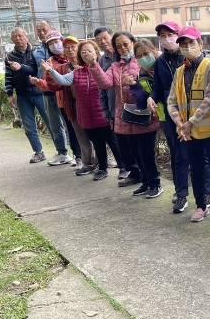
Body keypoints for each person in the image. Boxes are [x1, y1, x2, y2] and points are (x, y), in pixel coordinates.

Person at [166, 26, 210, 222]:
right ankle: (201, 206)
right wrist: (179, 123)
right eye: (183, 44)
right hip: (189, 131)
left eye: (191, 43)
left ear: (200, 44)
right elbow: (171, 100)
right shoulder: (179, 71)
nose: (187, 47)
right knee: (196, 168)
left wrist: (189, 123)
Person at [90, 31, 163, 199]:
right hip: (125, 117)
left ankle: (155, 183)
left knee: (146, 153)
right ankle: (145, 182)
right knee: (135, 153)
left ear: (132, 42)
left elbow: (154, 85)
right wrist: (94, 65)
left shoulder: (143, 61)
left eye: (125, 44)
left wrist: (135, 84)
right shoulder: (116, 66)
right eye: (118, 46)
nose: (122, 48)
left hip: (144, 114)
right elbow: (105, 83)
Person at [149, 21, 210, 214]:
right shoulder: (160, 62)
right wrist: (152, 98)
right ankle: (181, 194)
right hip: (173, 117)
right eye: (162, 35)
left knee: (202, 156)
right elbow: (159, 88)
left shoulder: (191, 59)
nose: (166, 39)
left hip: (196, 116)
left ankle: (207, 192)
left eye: (170, 34)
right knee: (179, 156)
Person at [45, 40, 123, 181]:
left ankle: (123, 167)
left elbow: (108, 85)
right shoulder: (77, 72)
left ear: (96, 53)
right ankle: (102, 168)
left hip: (103, 115)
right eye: (83, 52)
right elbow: (63, 81)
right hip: (87, 116)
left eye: (89, 51)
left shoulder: (103, 68)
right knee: (98, 143)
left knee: (113, 142)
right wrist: (50, 71)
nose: (86, 53)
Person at [32, 33, 94, 174]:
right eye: (67, 48)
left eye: (73, 47)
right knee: (78, 134)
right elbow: (54, 84)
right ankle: (85, 162)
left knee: (96, 135)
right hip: (70, 105)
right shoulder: (60, 66)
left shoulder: (88, 63)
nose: (70, 50)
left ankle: (102, 161)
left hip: (91, 106)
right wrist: (48, 73)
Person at [4, 27, 55, 163]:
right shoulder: (9, 56)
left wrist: (21, 67)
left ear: (26, 36)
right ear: (12, 40)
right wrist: (10, 94)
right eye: (15, 37)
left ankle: (61, 150)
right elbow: (8, 77)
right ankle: (38, 152)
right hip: (22, 95)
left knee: (51, 121)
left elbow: (34, 69)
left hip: (39, 92)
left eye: (20, 36)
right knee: (29, 126)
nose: (18, 39)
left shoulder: (36, 52)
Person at [33, 23, 71, 166]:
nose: (42, 33)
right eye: (39, 31)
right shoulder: (37, 52)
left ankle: (80, 155)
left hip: (65, 92)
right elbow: (35, 69)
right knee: (54, 123)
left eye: (44, 29)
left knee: (70, 123)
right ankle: (62, 152)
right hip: (47, 91)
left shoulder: (67, 48)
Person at [94, 26, 123, 177]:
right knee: (120, 141)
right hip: (113, 108)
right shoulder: (102, 61)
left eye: (105, 38)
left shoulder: (123, 54)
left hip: (130, 106)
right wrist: (105, 110)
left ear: (112, 36)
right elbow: (101, 88)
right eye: (99, 40)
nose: (103, 42)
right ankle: (127, 169)